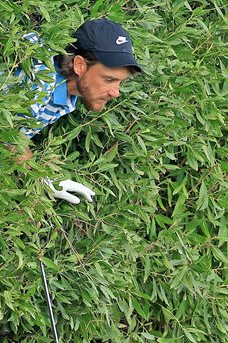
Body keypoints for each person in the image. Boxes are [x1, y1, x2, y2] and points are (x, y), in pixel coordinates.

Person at [10, 18, 141, 205]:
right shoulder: (40, 77)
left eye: (121, 82)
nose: (116, 92)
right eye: (109, 79)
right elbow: (5, 136)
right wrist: (42, 179)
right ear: (79, 65)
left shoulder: (68, 96)